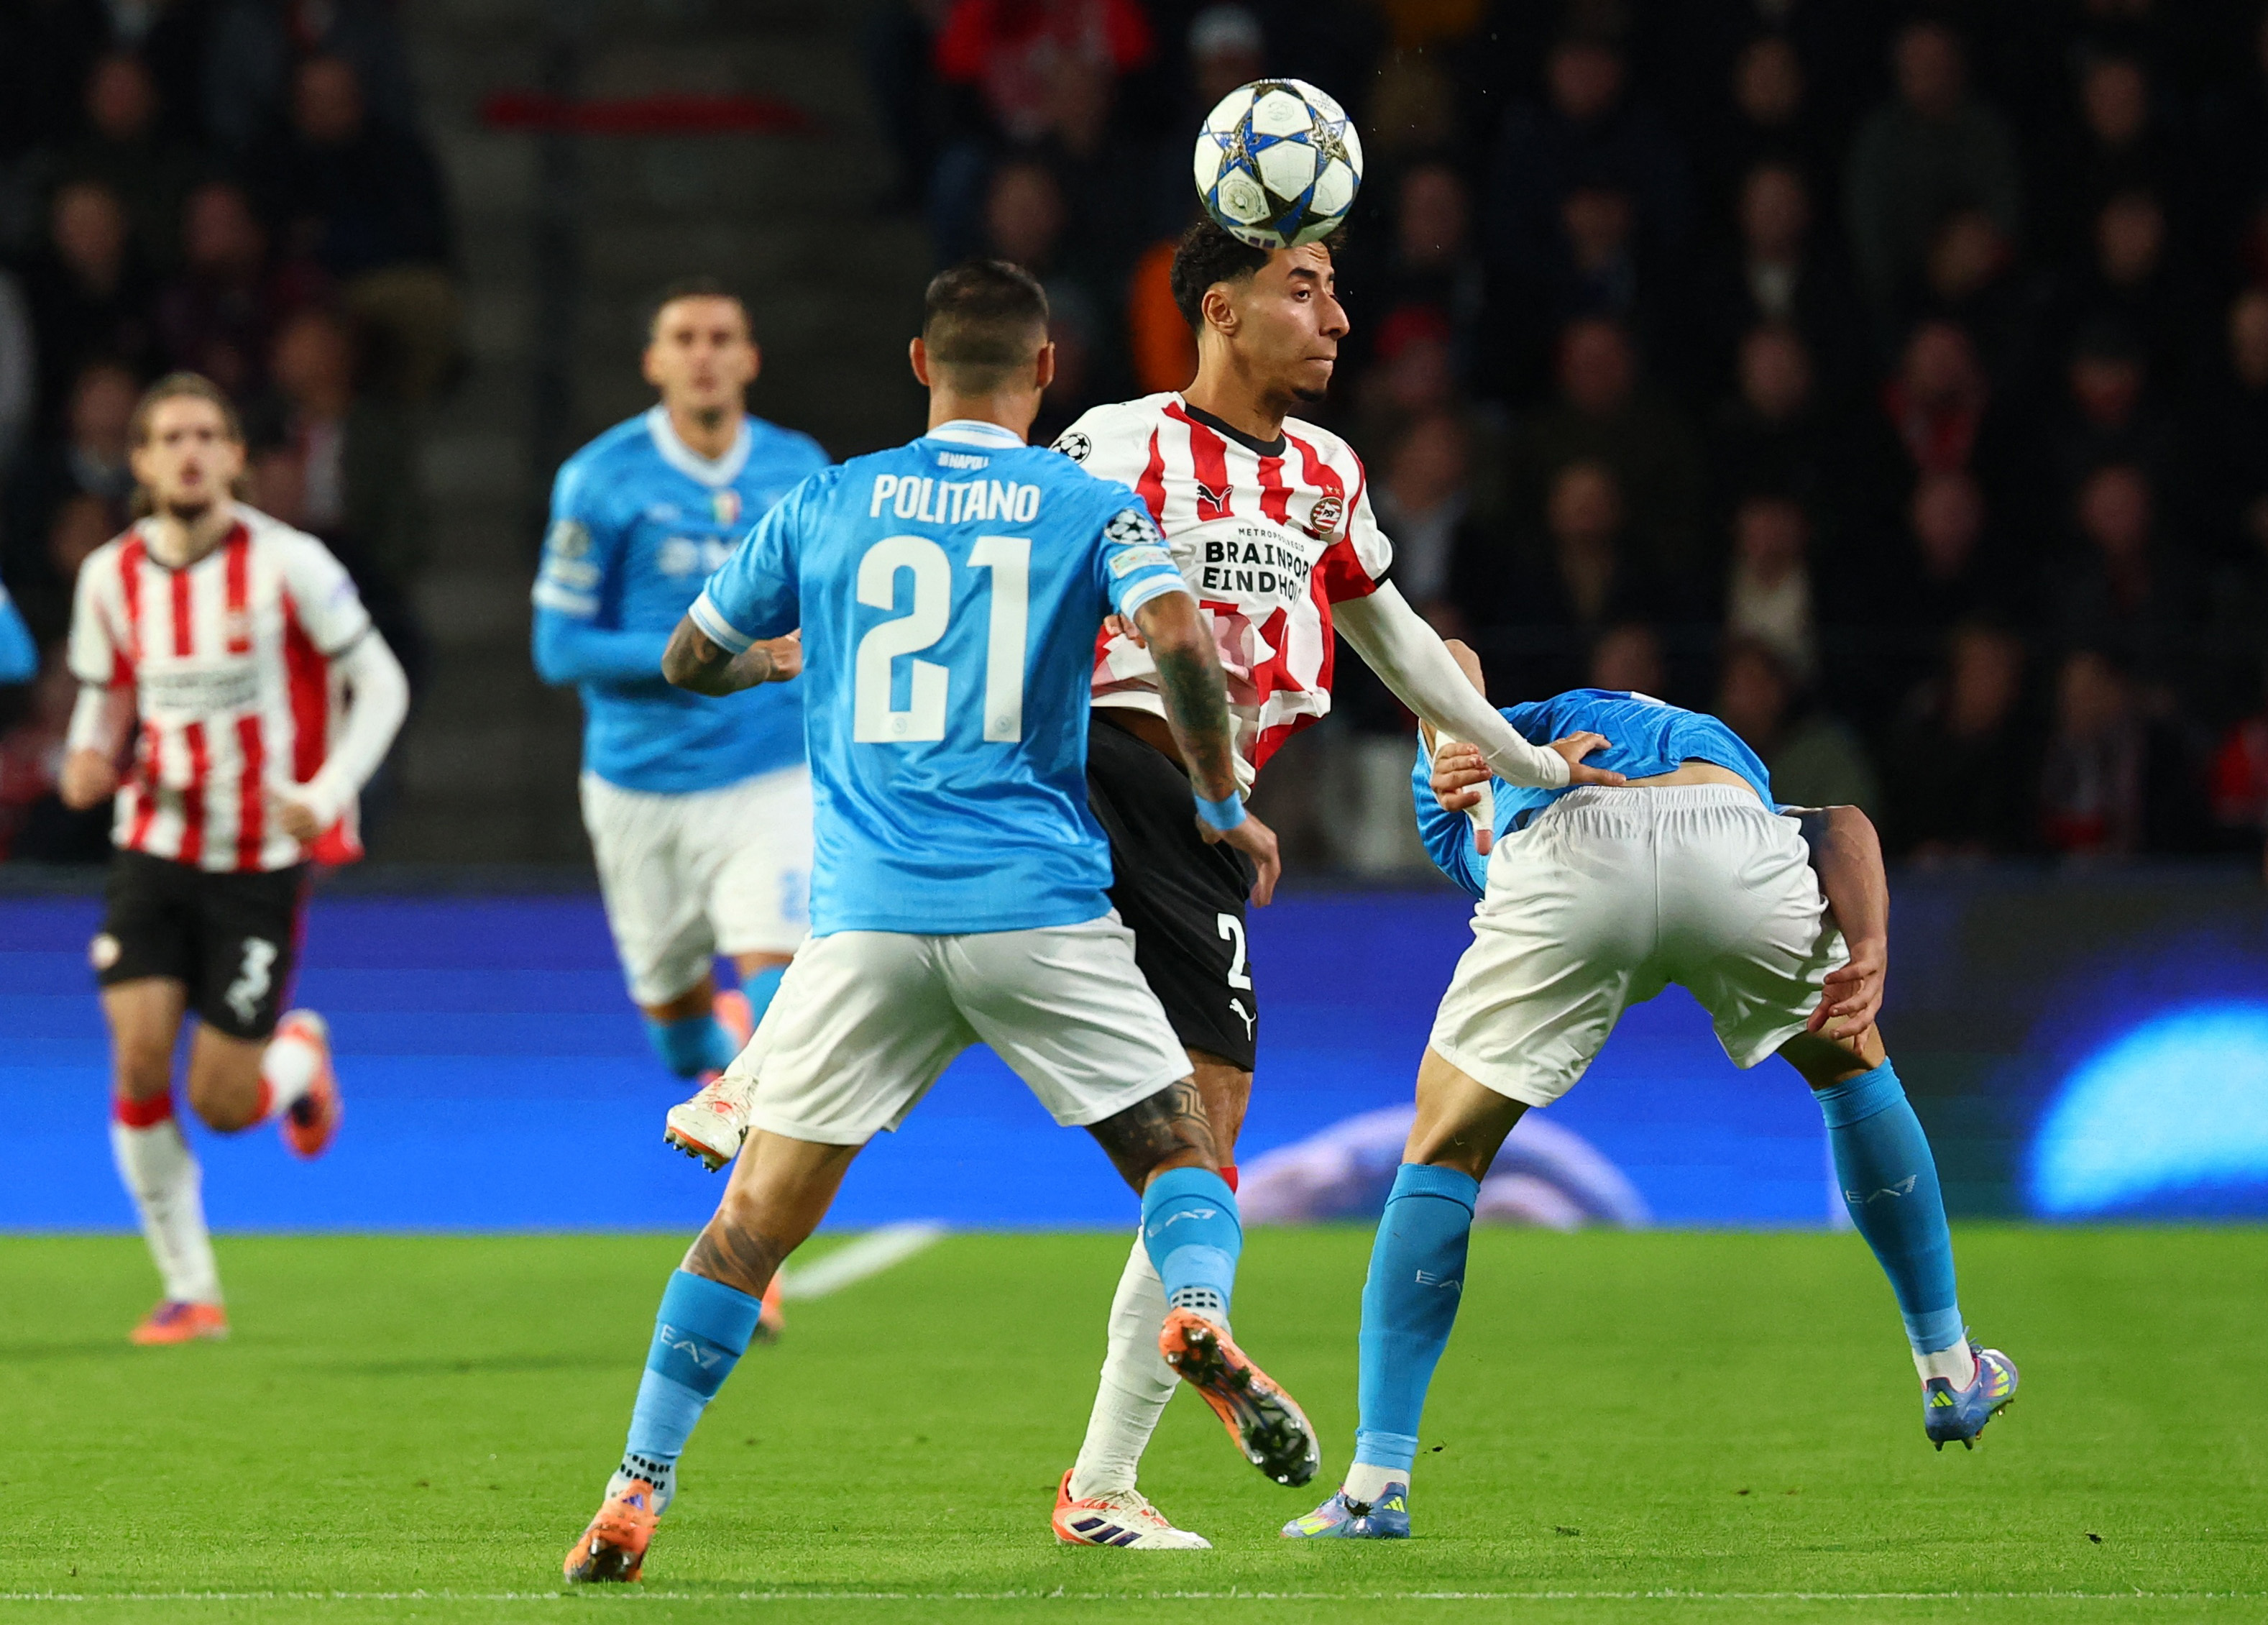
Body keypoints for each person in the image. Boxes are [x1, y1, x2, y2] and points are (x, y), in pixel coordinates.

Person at [561, 259, 1304, 1584]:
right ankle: (1195, 1316)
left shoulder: (828, 499)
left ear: (918, 367)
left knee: (751, 1228)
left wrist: (777, 654)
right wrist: (1220, 792)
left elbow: (684, 659)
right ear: (1046, 373)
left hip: (868, 928)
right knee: (1184, 1159)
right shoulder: (1086, 501)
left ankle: (636, 1489)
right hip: (1038, 911)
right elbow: (1184, 643)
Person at [1033, 219, 1620, 1550]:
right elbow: (1013, 575)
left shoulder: (1326, 475)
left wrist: (1521, 754)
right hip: (1088, 771)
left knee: (1208, 1138)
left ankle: (1106, 1482)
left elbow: (1394, 636)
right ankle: (1117, 1457)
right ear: (1222, 311)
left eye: (1339, 291)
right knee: (1175, 1133)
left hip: (1201, 826)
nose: (1340, 318)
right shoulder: (1117, 444)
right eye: (1306, 290)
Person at [1285, 639, 2018, 1539]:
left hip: (1566, 853)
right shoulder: (1691, 742)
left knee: (1443, 1149)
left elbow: (1451, 666)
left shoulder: (1489, 768)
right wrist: (1869, 950)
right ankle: (1949, 1366)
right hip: (1728, 837)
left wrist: (1446, 743)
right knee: (1851, 1061)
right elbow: (1843, 826)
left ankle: (1375, 1486)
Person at [57, 372, 410, 1345]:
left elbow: (380, 683)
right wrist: (87, 759)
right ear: (140, 461)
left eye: (208, 434)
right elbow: (104, 708)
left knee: (221, 1103)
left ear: (236, 456)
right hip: (152, 849)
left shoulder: (289, 563)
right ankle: (191, 1291)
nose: (189, 452)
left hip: (255, 862)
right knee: (135, 1058)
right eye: (169, 437)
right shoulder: (111, 578)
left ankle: (300, 1058)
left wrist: (329, 791)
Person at [530, 280, 830, 1227]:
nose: (703, 354)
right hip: (640, 785)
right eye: (683, 339)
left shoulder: (800, 469)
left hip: (770, 775)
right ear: (654, 362)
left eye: (722, 338)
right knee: (677, 1038)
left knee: (784, 994)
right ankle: (717, 1042)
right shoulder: (600, 479)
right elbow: (560, 649)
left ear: (750, 359)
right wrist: (716, 660)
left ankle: (748, 1229)